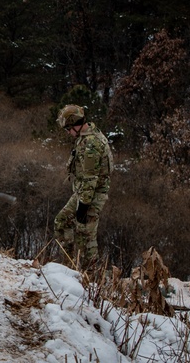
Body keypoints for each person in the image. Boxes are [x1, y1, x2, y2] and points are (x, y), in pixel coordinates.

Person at [53, 104, 113, 270]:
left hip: (92, 195)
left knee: (85, 236)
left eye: (68, 129)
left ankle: (90, 275)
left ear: (75, 125)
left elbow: (90, 178)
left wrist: (83, 207)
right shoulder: (88, 135)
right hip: (83, 192)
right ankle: (69, 265)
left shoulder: (90, 144)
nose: (68, 133)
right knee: (61, 221)